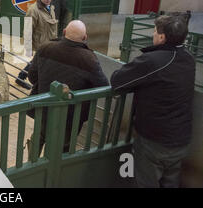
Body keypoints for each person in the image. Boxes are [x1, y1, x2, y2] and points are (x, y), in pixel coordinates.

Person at [110, 15, 195, 188]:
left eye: (155, 32)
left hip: (154, 141)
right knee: (170, 182)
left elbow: (117, 80)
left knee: (145, 182)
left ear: (162, 37)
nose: (153, 34)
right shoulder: (189, 59)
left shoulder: (153, 60)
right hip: (180, 140)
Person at [27, 20, 109, 156]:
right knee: (62, 148)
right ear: (85, 38)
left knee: (39, 136)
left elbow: (32, 77)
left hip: (44, 107)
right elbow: (103, 88)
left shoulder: (45, 48)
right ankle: (53, 174)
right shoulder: (89, 59)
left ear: (64, 32)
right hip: (71, 115)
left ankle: (30, 167)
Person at [16, 0, 58, 89]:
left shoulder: (51, 8)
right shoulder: (33, 10)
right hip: (40, 43)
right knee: (39, 62)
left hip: (50, 42)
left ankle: (22, 77)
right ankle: (24, 78)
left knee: (38, 61)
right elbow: (27, 30)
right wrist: (28, 47)